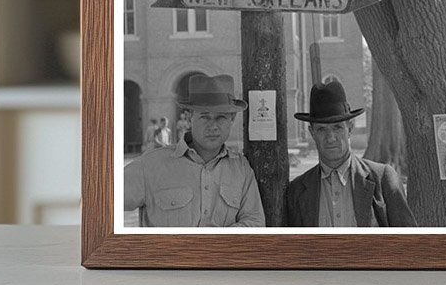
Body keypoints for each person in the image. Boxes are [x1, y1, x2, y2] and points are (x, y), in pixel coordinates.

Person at [124, 74, 265, 228]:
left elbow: (255, 221)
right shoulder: (150, 165)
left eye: (221, 117)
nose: (213, 126)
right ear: (190, 116)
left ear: (232, 118)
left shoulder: (241, 169)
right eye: (204, 117)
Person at [286, 81, 416, 228]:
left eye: (337, 127)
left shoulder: (382, 179)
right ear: (312, 133)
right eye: (322, 129)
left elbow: (409, 241)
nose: (331, 138)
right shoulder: (297, 191)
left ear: (350, 127)